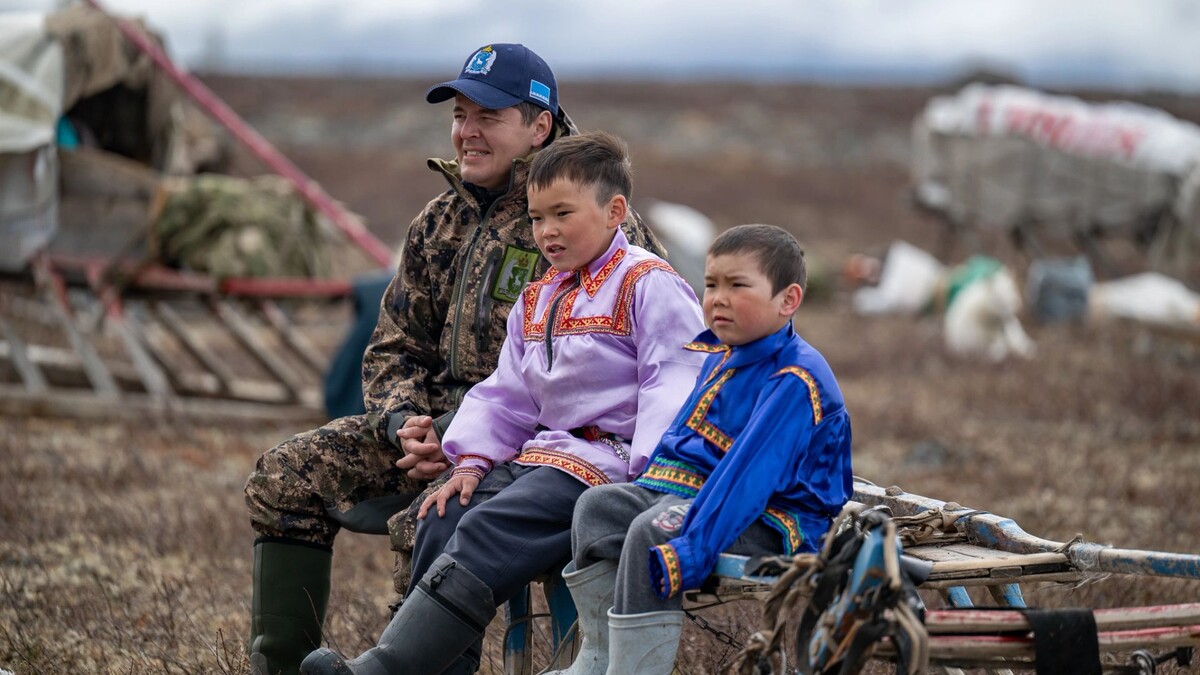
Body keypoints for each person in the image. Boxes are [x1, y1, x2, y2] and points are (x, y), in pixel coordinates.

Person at [243, 44, 666, 675]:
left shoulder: (591, 223)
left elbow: (619, 374)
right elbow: (393, 344)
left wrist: (455, 436)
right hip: (426, 434)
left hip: (532, 447)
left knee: (431, 517)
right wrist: (404, 423)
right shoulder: (438, 222)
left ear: (539, 126)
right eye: (460, 115)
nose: (467, 131)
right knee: (286, 477)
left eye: (488, 117)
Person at [299, 131, 707, 675]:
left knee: (489, 527)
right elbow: (507, 393)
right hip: (544, 457)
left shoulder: (648, 283)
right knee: (442, 515)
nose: (547, 231)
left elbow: (674, 380)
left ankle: (388, 668)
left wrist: (651, 479)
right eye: (537, 218)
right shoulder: (540, 296)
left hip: (610, 467)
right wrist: (471, 459)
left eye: (562, 214)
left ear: (615, 212)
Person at [548, 223, 854, 675]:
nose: (718, 299)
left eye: (737, 286)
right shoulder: (722, 353)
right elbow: (683, 448)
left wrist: (692, 548)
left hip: (774, 518)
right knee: (597, 508)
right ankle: (598, 657)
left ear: (788, 300)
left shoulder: (793, 379)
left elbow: (745, 479)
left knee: (652, 530)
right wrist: (647, 491)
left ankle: (634, 670)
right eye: (711, 284)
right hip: (700, 492)